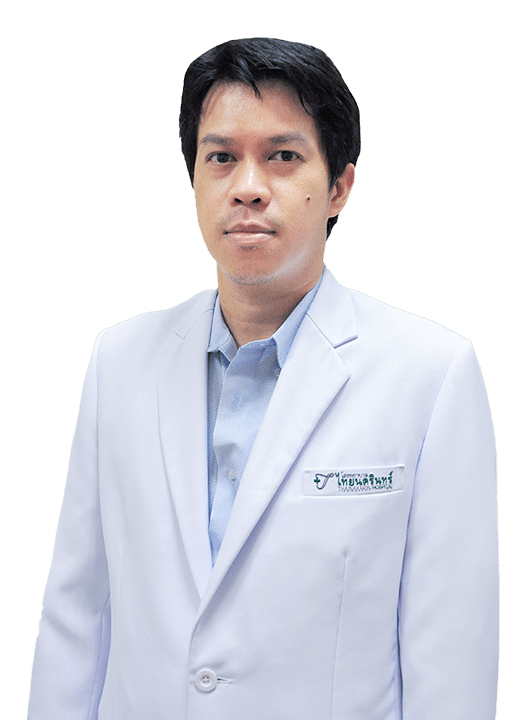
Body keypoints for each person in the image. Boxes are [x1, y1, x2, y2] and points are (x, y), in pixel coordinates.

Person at [28, 38, 499, 720]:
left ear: (339, 187)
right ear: (194, 179)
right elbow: (76, 619)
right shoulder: (119, 360)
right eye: (221, 157)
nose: (247, 186)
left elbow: (451, 662)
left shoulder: (430, 374)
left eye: (282, 156)